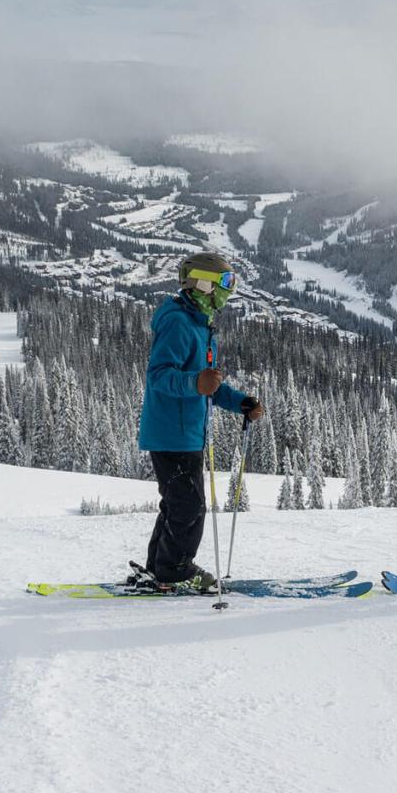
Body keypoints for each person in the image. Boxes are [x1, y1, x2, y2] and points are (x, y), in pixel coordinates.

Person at [135, 251, 264, 590]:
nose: (228, 290)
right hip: (170, 433)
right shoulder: (179, 322)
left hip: (188, 433)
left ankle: (159, 567)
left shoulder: (200, 326)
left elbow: (210, 384)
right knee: (189, 507)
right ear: (202, 283)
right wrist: (196, 382)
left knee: (178, 505)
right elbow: (159, 375)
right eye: (224, 282)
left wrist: (242, 403)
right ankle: (174, 572)